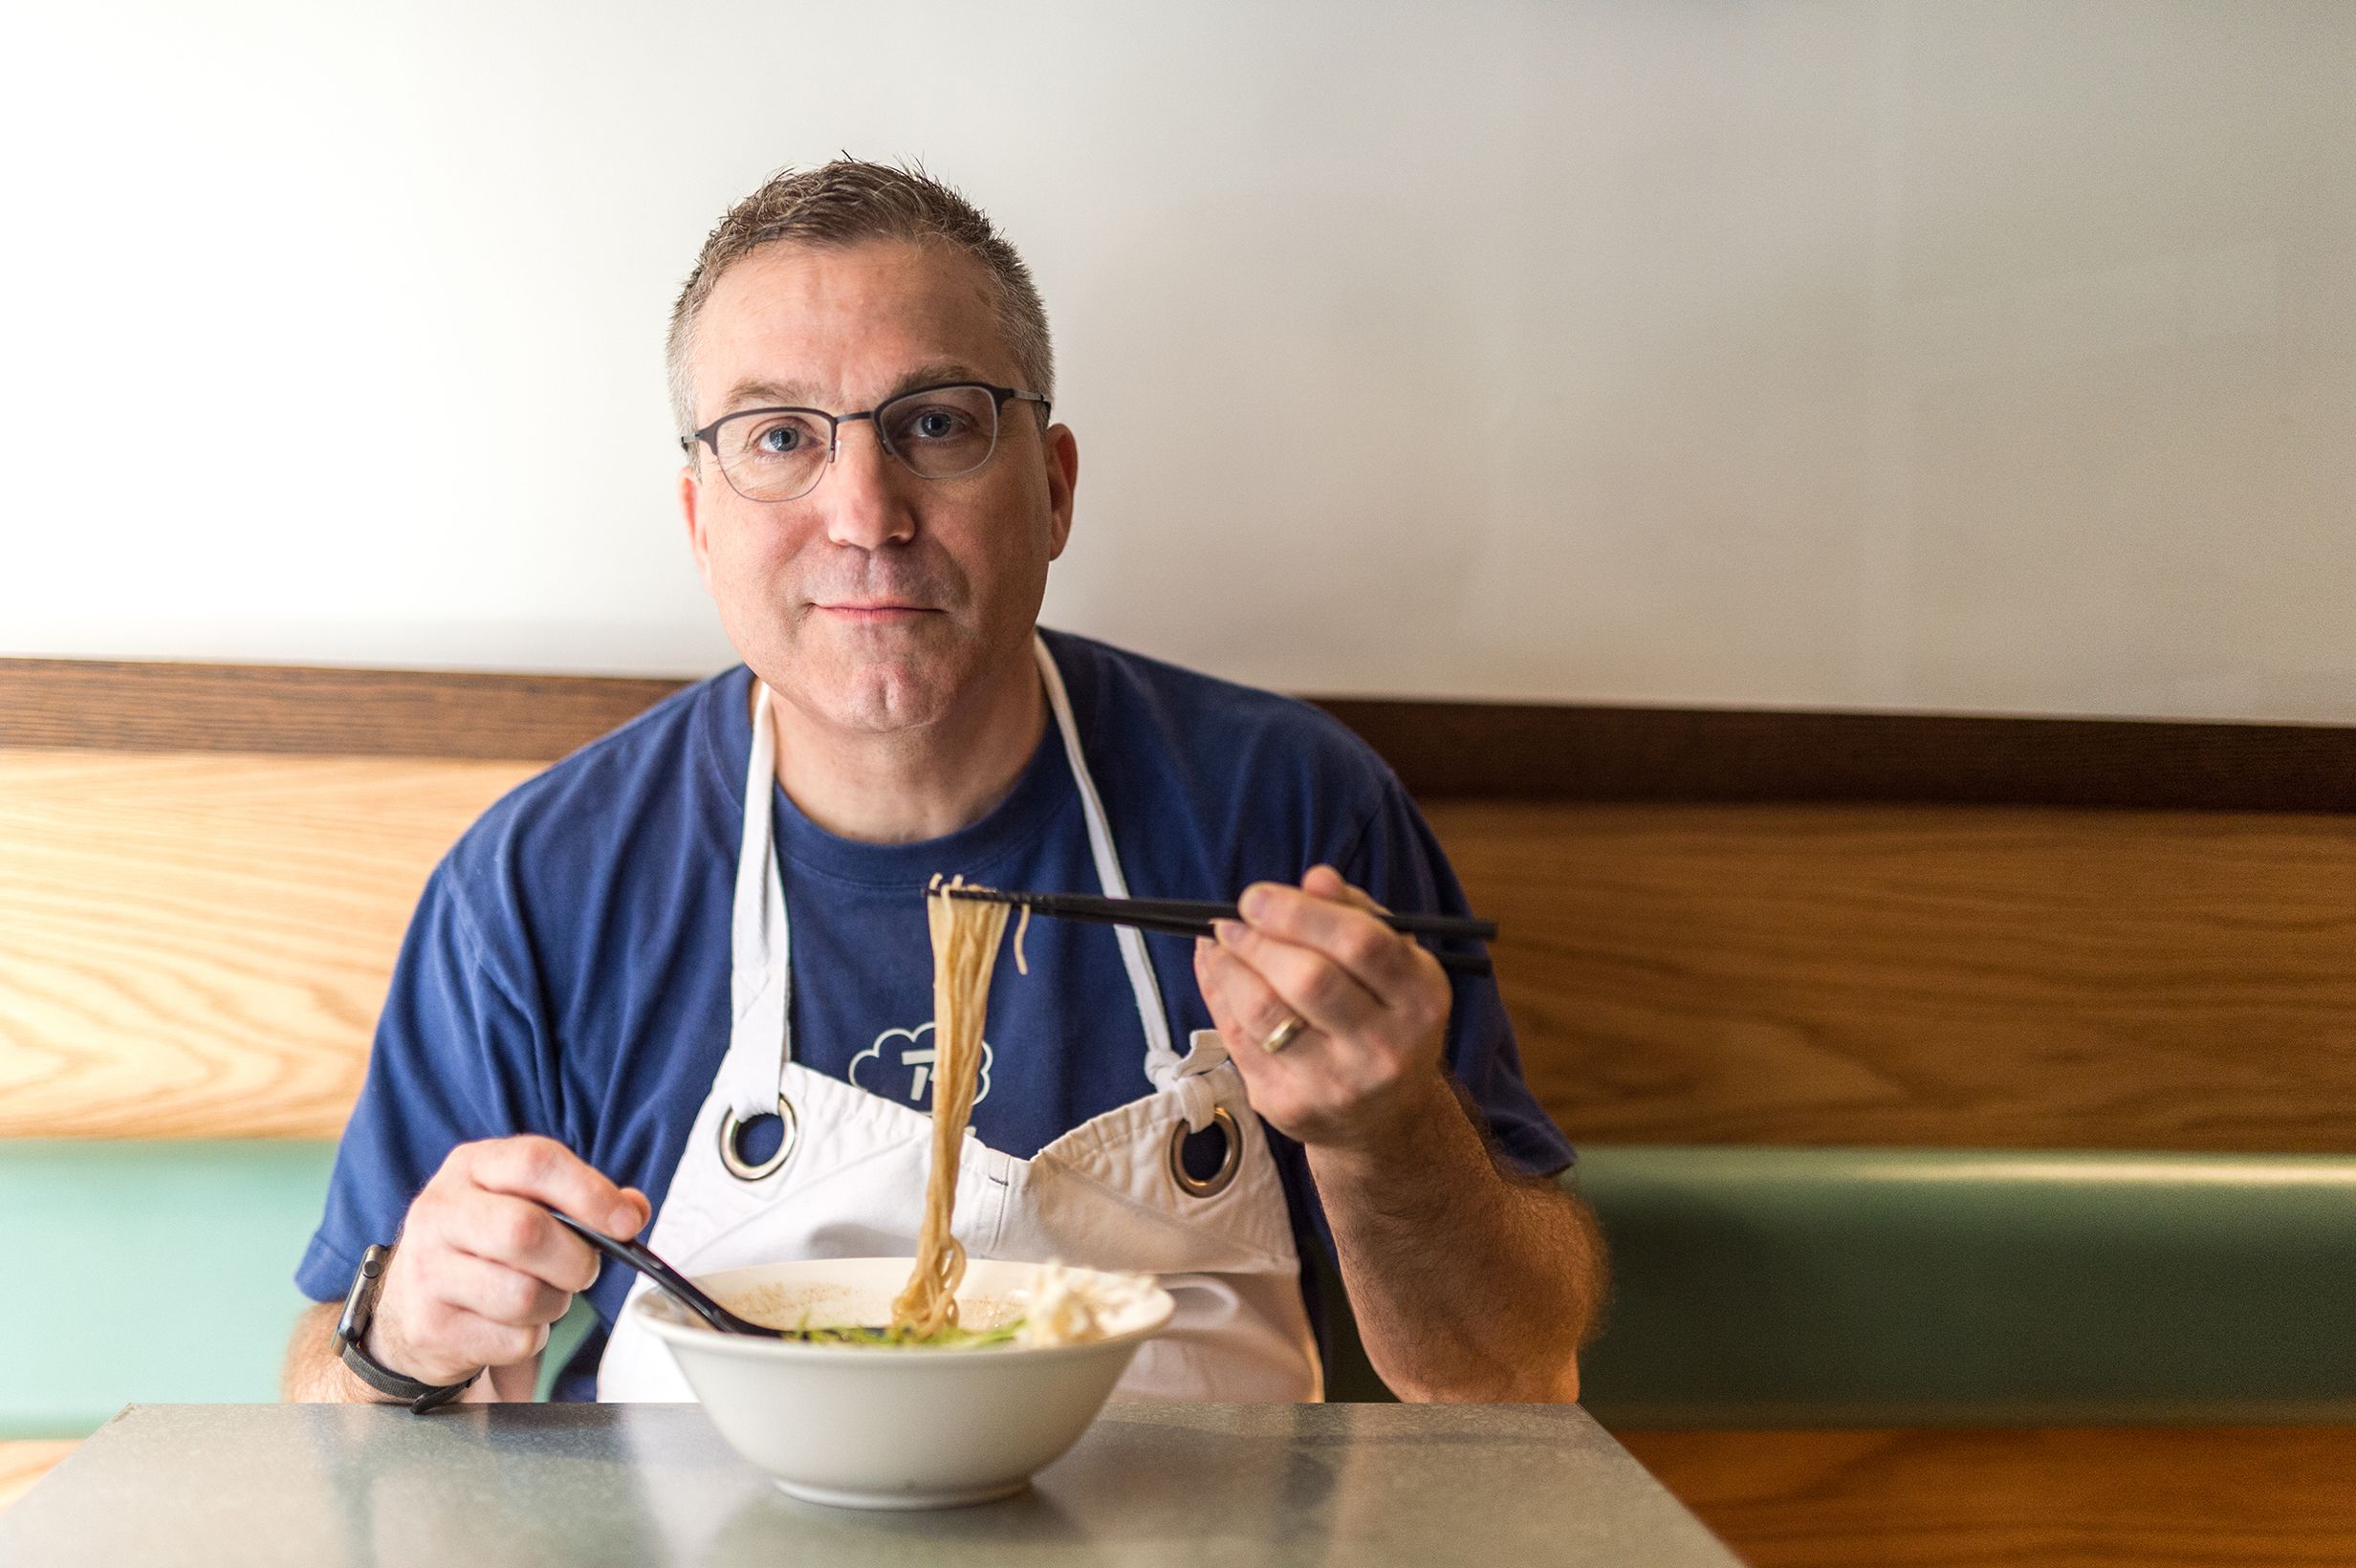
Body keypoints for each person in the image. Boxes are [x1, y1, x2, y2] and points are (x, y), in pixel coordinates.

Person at [280, 160, 1604, 1409]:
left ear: (1054, 490)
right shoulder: (542, 884)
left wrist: (1389, 1136)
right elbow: (328, 1407)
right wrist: (400, 1342)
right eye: (780, 436)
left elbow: (1511, 1376)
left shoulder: (1291, 811)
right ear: (699, 524)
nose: (867, 512)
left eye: (935, 424)